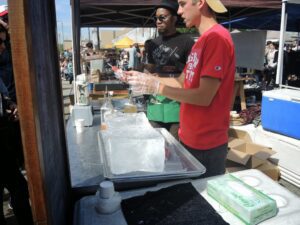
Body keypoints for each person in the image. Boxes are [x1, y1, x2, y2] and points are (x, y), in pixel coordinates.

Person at [126, 0, 235, 178]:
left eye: (183, 4)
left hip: (207, 143)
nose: (179, 11)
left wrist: (156, 86)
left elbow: (204, 96)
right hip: (189, 136)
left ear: (200, 3)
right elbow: (182, 81)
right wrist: (146, 79)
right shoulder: (201, 42)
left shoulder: (216, 38)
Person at [143, 0, 194, 139]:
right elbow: (152, 67)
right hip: (155, 103)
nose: (158, 21)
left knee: (176, 148)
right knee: (156, 146)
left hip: (176, 102)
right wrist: (142, 72)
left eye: (162, 17)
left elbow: (190, 74)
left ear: (174, 18)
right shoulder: (152, 43)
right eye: (156, 18)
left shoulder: (187, 41)